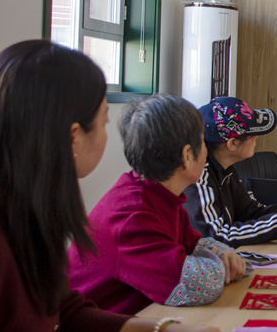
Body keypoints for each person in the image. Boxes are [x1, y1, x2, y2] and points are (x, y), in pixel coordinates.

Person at [0, 40, 232, 332]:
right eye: (105, 121)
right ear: (74, 137)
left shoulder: (22, 213)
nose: (109, 135)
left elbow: (65, 318)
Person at [68, 94, 247, 315]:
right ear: (187, 155)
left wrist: (220, 256)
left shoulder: (160, 194)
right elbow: (202, 284)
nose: (207, 151)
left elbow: (198, 245)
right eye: (202, 142)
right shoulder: (132, 217)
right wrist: (222, 262)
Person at [184, 97, 277, 247]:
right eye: (252, 134)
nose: (257, 138)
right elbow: (219, 236)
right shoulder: (199, 177)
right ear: (232, 143)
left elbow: (252, 213)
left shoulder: (226, 170)